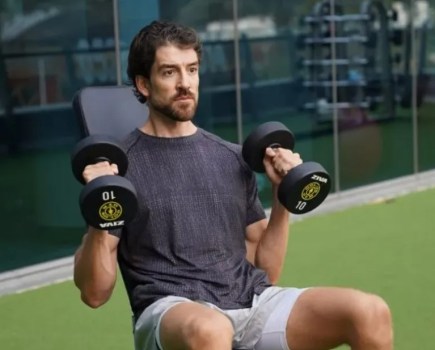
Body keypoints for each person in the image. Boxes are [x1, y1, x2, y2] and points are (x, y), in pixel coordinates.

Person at [73, 20, 393, 350]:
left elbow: (266, 272)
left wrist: (283, 198)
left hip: (249, 302)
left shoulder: (231, 157)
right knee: (210, 330)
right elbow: (94, 294)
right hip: (172, 310)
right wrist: (101, 209)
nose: (185, 83)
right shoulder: (120, 168)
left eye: (192, 70)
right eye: (169, 72)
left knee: (369, 311)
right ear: (143, 84)